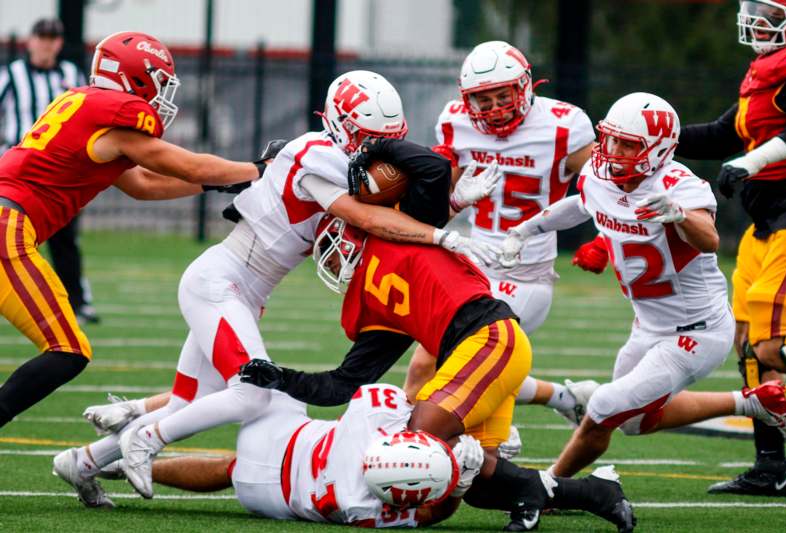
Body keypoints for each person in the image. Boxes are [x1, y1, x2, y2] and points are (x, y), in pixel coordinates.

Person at [57, 70, 498, 501]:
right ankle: (147, 439)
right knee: (251, 395)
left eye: (388, 139)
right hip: (221, 282)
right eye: (369, 139)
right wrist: (441, 235)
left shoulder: (350, 162)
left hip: (241, 290)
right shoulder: (314, 153)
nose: (380, 151)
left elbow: (394, 224)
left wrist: (454, 203)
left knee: (186, 403)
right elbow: (367, 218)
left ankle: (83, 462)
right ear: (342, 126)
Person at [237, 214, 636, 532]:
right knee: (478, 487)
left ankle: (531, 490)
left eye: (333, 249)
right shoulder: (371, 304)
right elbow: (343, 383)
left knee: (420, 441)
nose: (332, 261)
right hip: (482, 351)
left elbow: (424, 177)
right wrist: (282, 378)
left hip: (488, 338)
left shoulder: (398, 232)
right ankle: (593, 492)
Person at [499, 92, 786, 479]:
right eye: (611, 139)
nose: (614, 150)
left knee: (604, 405)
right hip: (648, 325)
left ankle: (552, 485)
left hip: (697, 332)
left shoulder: (680, 185)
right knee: (634, 421)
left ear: (659, 150)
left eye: (628, 144)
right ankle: (751, 403)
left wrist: (679, 216)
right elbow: (581, 202)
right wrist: (526, 229)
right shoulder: (599, 174)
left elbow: (707, 238)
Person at [0, 30, 272, 429]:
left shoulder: (80, 103)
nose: (162, 94)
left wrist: (230, 180)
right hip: (8, 227)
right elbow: (187, 166)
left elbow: (143, 185)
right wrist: (260, 170)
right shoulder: (117, 113)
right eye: (160, 82)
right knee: (68, 350)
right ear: (136, 77)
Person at [61, 384, 632, 532]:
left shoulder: (371, 421)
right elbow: (433, 513)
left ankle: (144, 415)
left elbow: (405, 402)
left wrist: (443, 444)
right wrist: (457, 481)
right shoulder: (365, 509)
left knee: (247, 384)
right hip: (273, 496)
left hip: (284, 434)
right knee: (231, 471)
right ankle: (116, 458)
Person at [416, 40, 599, 424]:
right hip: (472, 261)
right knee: (426, 366)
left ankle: (486, 444)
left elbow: (611, 189)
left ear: (526, 85)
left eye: (504, 95)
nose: (496, 107)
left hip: (525, 272)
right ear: (468, 100)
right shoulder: (455, 123)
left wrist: (605, 240)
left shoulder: (565, 126)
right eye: (484, 99)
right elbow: (439, 205)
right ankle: (565, 399)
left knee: (458, 362)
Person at [660, 0, 786, 497]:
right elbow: (723, 134)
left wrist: (751, 163)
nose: (757, 20)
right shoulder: (765, 73)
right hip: (768, 219)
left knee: (774, 345)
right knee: (750, 350)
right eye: (755, 10)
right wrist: (649, 136)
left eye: (771, 12)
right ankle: (772, 467)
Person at [0, 18, 99, 324]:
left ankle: (77, 302)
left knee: (64, 238)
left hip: (57, 174)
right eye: (42, 36)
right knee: (10, 237)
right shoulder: (11, 76)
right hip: (16, 171)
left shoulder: (71, 75)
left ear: (59, 43)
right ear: (31, 40)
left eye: (53, 38)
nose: (47, 43)